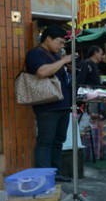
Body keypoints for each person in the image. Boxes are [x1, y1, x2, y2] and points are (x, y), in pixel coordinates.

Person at [24, 25, 72, 181]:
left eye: (64, 44)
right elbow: (42, 72)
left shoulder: (56, 56)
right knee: (46, 141)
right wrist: (64, 61)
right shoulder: (35, 53)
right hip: (47, 107)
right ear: (48, 38)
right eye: (60, 43)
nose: (61, 47)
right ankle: (43, 177)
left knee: (58, 141)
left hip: (63, 105)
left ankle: (55, 173)